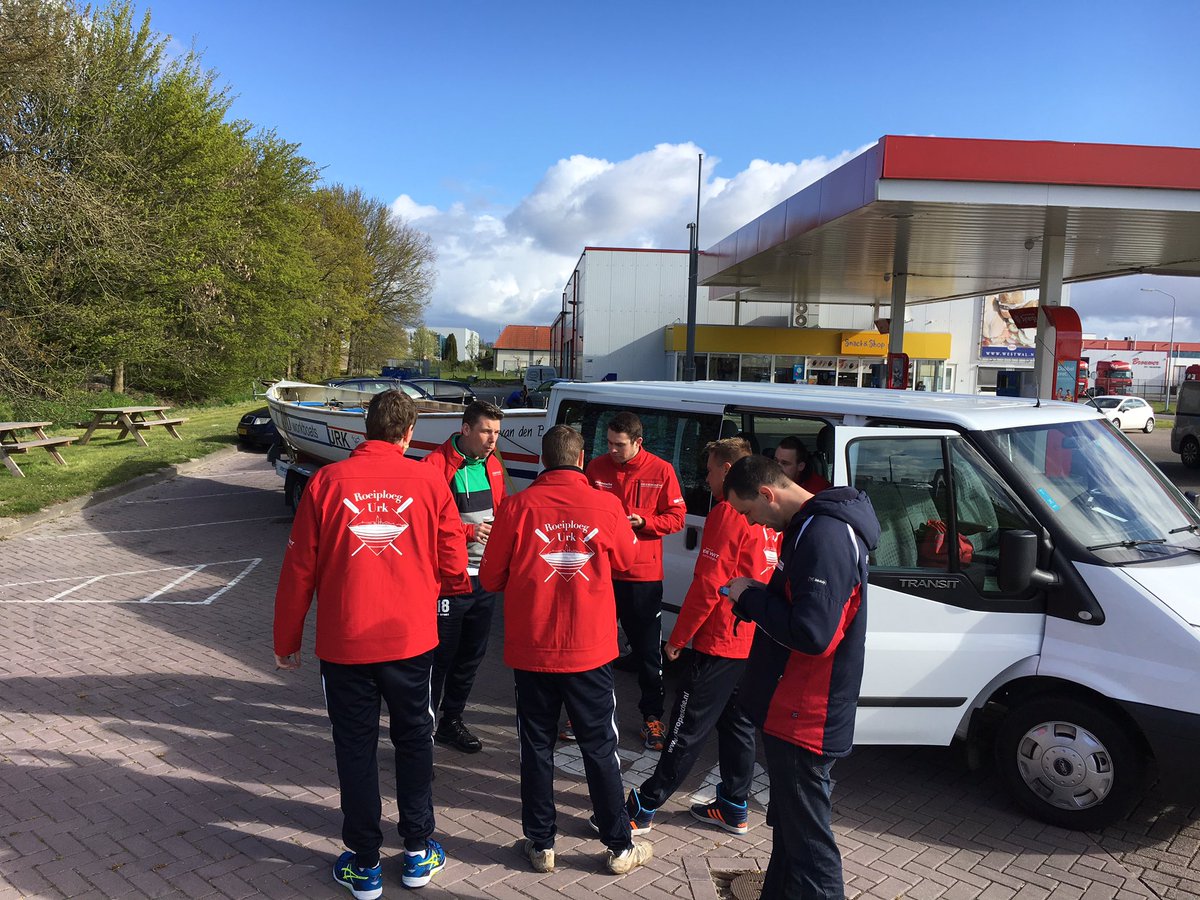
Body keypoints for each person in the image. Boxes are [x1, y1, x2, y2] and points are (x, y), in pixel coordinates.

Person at [273, 390, 470, 897]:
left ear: (364, 428)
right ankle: (418, 851)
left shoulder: (327, 482)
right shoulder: (428, 481)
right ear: (410, 433)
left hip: (346, 644)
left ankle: (364, 861)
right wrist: (451, 588)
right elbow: (451, 552)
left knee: (355, 748)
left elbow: (299, 569)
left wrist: (286, 638)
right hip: (411, 640)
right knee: (413, 741)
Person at [479, 425, 653, 876]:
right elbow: (630, 561)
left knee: (536, 745)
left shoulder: (516, 507)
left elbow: (490, 577)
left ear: (543, 460)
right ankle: (618, 845)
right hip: (589, 650)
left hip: (533, 649)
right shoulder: (606, 504)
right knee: (599, 746)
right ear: (580, 461)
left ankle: (541, 844)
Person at [723, 455, 880, 900]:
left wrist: (751, 602)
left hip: (805, 713)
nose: (753, 525)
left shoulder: (823, 535)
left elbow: (813, 634)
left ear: (769, 494)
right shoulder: (814, 528)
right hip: (796, 709)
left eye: (749, 512)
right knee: (792, 833)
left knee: (809, 846)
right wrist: (760, 593)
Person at [622, 438, 780, 836]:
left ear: (727, 470)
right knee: (737, 723)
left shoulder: (728, 512)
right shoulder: (770, 512)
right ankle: (733, 804)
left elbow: (709, 581)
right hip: (751, 636)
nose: (704, 477)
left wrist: (679, 637)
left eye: (709, 469)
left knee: (686, 725)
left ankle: (644, 805)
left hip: (720, 638)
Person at [584, 411, 687, 750]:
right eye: (609, 443)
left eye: (620, 445)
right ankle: (583, 715)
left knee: (646, 652)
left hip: (642, 575)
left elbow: (676, 518)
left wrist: (643, 522)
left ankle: (652, 718)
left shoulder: (661, 470)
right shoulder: (596, 468)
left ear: (638, 442)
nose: (612, 450)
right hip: (601, 572)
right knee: (593, 647)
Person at [423, 400, 507, 754]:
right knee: (438, 660)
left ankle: (450, 721)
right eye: (487, 431)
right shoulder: (435, 466)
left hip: (484, 579)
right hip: (449, 581)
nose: (493, 440)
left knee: (471, 657)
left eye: (498, 433)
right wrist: (470, 533)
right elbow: (425, 522)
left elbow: (502, 512)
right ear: (466, 429)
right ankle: (421, 733)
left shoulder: (494, 464)